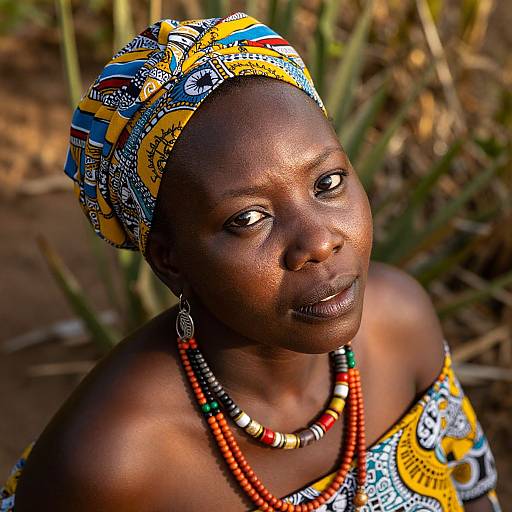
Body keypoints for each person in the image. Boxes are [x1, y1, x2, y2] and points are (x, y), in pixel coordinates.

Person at [1, 13, 501, 512]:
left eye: (327, 183)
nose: (319, 243)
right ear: (169, 259)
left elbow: (472, 491)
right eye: (249, 218)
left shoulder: (400, 324)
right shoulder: (112, 463)